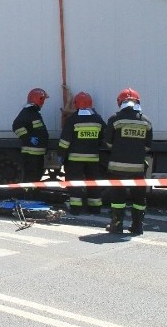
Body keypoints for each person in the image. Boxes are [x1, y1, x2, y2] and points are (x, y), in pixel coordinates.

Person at [103, 88, 152, 234]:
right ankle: (137, 226)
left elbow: (108, 143)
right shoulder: (146, 121)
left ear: (120, 102)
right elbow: (148, 146)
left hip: (117, 166)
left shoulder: (114, 119)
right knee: (139, 196)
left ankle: (117, 225)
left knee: (118, 195)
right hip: (138, 168)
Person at [57, 92, 106, 215]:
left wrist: (61, 155)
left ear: (76, 104)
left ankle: (76, 209)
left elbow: (64, 141)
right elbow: (104, 137)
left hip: (75, 160)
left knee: (75, 184)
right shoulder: (97, 119)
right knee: (93, 184)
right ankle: (95, 208)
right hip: (93, 159)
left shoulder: (72, 120)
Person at [12, 88, 49, 182]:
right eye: (42, 99)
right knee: (30, 178)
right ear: (37, 99)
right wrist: (28, 138)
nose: (43, 102)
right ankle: (27, 194)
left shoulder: (34, 112)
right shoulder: (28, 112)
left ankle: (32, 193)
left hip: (37, 153)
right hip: (31, 153)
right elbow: (16, 126)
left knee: (35, 177)